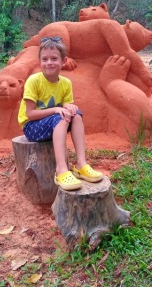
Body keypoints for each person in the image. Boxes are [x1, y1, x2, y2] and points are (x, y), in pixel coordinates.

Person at [17, 37, 103, 191]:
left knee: (76, 114)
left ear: (64, 61)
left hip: (54, 124)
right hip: (32, 127)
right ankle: (61, 170)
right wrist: (57, 109)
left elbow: (66, 104)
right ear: (40, 61)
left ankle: (81, 164)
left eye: (54, 58)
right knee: (60, 117)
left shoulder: (65, 83)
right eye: (45, 59)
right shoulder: (34, 81)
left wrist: (69, 107)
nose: (49, 62)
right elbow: (30, 114)